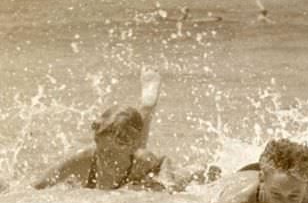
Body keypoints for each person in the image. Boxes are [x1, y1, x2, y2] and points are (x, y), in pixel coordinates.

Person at [32, 67, 218, 192]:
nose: (107, 156)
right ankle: (147, 105)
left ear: (130, 149)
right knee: (129, 132)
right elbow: (39, 184)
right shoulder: (83, 159)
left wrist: (166, 181)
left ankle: (204, 169)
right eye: (104, 150)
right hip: (127, 154)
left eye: (113, 153)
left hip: (137, 169)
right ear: (97, 139)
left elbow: (163, 161)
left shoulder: (140, 159)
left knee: (179, 182)